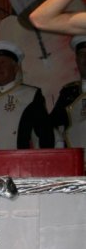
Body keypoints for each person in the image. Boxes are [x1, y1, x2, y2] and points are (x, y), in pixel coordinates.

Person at [0, 40, 54, 150]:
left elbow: (45, 134)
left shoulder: (31, 94)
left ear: (15, 68)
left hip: (20, 159)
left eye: (2, 63)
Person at [49, 35, 86, 163]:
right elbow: (51, 124)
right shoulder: (69, 92)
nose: (85, 58)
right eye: (81, 54)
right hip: (76, 165)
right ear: (76, 60)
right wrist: (58, 142)